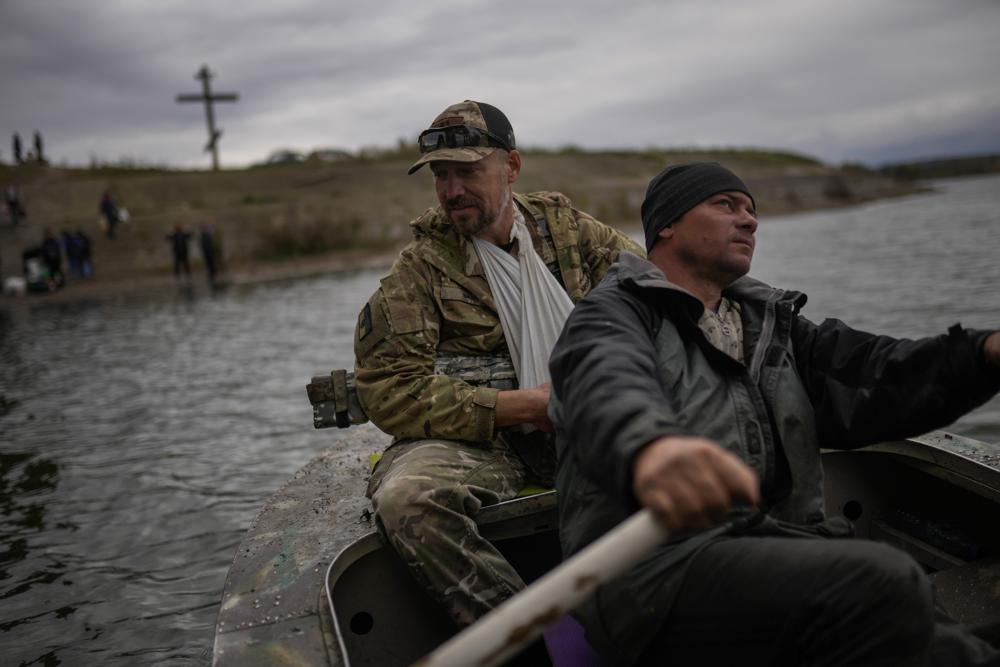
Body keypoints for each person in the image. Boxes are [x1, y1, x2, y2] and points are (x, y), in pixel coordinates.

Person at [548, 162, 1000, 666]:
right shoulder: (612, 314)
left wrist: (983, 355)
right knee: (882, 579)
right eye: (725, 205)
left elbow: (878, 373)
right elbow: (605, 383)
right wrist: (650, 448)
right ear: (667, 225)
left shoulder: (773, 326)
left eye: (751, 210)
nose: (749, 221)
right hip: (651, 574)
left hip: (775, 546)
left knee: (948, 642)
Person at [353, 100, 643, 628]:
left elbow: (656, 300)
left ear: (511, 166)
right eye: (441, 175)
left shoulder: (570, 235)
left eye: (467, 171)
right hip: (487, 445)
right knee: (408, 501)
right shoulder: (422, 268)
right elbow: (390, 390)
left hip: (594, 421)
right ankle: (535, 643)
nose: (451, 190)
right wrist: (521, 405)